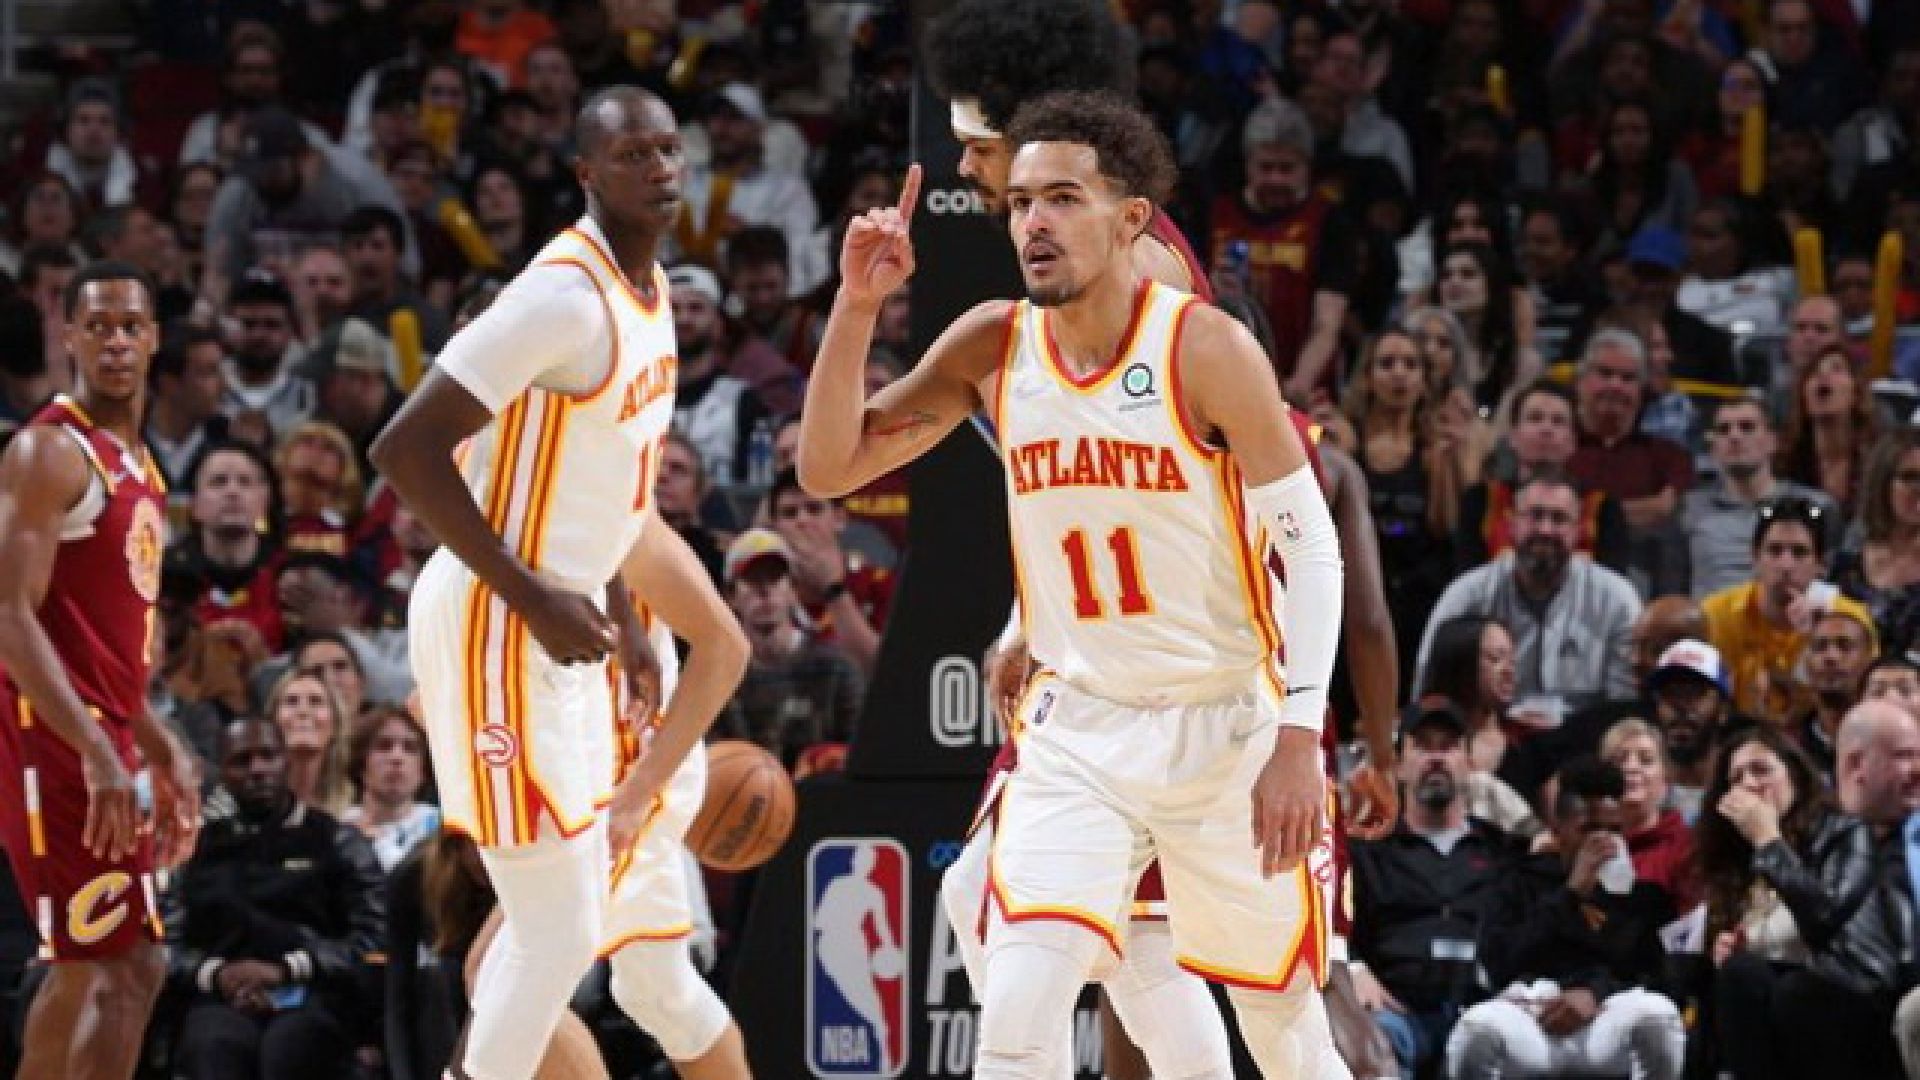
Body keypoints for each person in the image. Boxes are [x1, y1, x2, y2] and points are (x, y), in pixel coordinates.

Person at [798, 92, 1346, 1079]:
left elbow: (1311, 551)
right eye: (1020, 204)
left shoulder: (1204, 349)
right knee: (1014, 1012)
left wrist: (1300, 735)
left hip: (1223, 724)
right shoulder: (992, 343)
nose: (1034, 224)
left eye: (1062, 199)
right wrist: (857, 305)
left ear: (1131, 218)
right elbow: (830, 466)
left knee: (1287, 1035)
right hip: (1078, 730)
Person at [926, 8, 1401, 1076]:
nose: (964, 165)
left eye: (976, 141)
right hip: (1109, 686)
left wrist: (1311, 733)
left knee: (1263, 999)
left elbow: (1188, 506)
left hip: (1210, 687)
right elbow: (1089, 486)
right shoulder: (1061, 285)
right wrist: (1028, 617)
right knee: (1026, 925)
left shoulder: (1152, 289)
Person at [370, 86, 750, 1080]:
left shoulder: (647, 293)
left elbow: (604, 488)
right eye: (634, 155)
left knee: (565, 931)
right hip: (499, 621)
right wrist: (533, 594)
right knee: (555, 929)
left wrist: (623, 611)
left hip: (563, 627)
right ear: (587, 173)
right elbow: (403, 448)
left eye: (669, 150)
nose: (660, 170)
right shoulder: (562, 299)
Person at [0, 261, 200, 1080]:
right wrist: (94, 750)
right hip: (47, 735)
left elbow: (104, 649)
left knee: (125, 965)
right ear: (70, 337)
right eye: (98, 326)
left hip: (99, 734)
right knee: (97, 962)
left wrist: (157, 742)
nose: (115, 341)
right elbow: (8, 617)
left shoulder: (141, 467)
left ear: (154, 340)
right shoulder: (49, 451)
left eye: (130, 326)